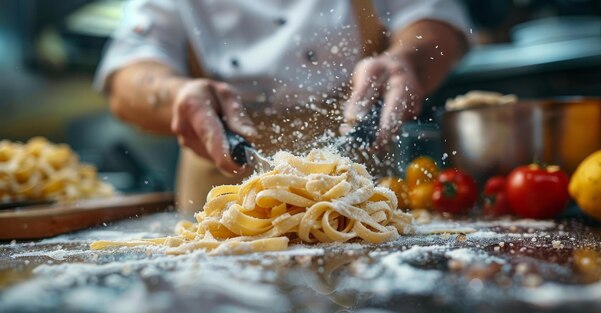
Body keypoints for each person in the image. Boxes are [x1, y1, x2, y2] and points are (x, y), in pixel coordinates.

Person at [95, 0, 472, 213]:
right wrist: (177, 94)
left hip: (361, 186)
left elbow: (438, 21)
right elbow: (128, 73)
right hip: (223, 193)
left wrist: (407, 60)